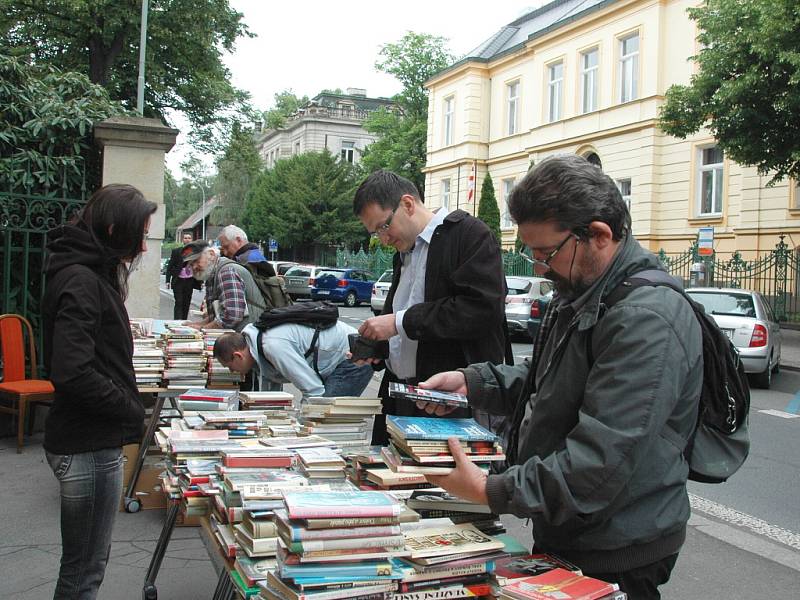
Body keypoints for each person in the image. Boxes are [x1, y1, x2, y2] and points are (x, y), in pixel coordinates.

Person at [417, 155, 703, 600]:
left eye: (546, 252)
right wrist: (472, 381)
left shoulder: (646, 318)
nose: (538, 267)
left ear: (599, 236)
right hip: (575, 527)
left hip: (618, 545)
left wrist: (489, 489)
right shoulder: (586, 289)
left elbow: (601, 461)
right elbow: (551, 379)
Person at [42, 183, 157, 599]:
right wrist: (129, 409)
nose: (144, 246)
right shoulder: (82, 279)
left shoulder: (86, 272)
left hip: (86, 438)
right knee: (83, 572)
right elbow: (71, 371)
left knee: (85, 566)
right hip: (87, 443)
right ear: (113, 229)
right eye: (139, 234)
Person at [352, 169, 509, 444]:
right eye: (376, 233)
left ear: (408, 204)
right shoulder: (404, 254)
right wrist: (378, 348)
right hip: (400, 395)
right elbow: (409, 330)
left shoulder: (469, 235)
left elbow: (479, 309)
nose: (384, 239)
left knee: (440, 485)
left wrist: (398, 323)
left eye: (383, 226)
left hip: (447, 402)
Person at [213, 322, 373, 400]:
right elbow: (270, 393)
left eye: (230, 367)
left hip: (352, 355)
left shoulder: (273, 347)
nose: (233, 372)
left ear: (238, 355)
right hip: (334, 356)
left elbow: (313, 390)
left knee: (327, 415)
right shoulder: (254, 341)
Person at [182, 241, 266, 332]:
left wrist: (202, 329)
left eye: (196, 261)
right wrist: (197, 325)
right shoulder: (212, 274)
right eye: (190, 264)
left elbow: (232, 316)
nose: (194, 267)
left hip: (248, 337)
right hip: (242, 334)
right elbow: (216, 316)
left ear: (211, 254)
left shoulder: (226, 271)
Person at [165, 231, 201, 320]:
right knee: (179, 302)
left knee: (186, 302)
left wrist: (201, 280)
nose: (187, 240)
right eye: (185, 238)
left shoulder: (196, 253)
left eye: (189, 238)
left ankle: (184, 321)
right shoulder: (176, 251)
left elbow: (200, 267)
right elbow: (170, 266)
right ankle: (177, 322)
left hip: (189, 281)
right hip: (178, 280)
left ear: (192, 240)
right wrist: (167, 280)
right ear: (182, 239)